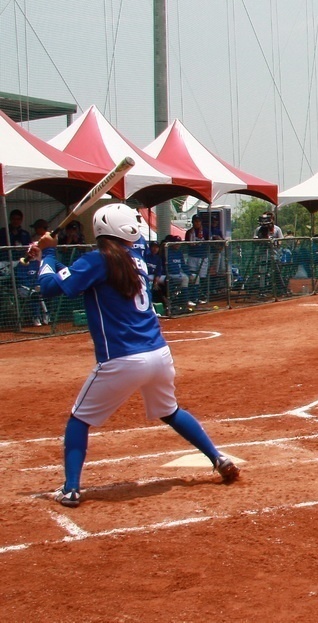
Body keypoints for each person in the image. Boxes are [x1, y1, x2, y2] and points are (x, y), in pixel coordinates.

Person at [28, 203, 239, 508]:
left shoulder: (99, 260)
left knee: (79, 418)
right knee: (170, 411)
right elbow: (100, 261)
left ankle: (71, 488)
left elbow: (50, 287)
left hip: (123, 358)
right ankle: (219, 459)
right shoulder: (135, 256)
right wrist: (47, 252)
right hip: (159, 354)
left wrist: (47, 253)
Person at [183, 214, 211, 306]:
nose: (197, 223)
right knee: (193, 275)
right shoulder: (189, 232)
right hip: (193, 256)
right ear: (193, 222)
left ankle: (201, 296)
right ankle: (193, 296)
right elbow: (187, 244)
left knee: (202, 276)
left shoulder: (205, 231)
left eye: (199, 221)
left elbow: (209, 242)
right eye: (195, 221)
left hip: (203, 256)